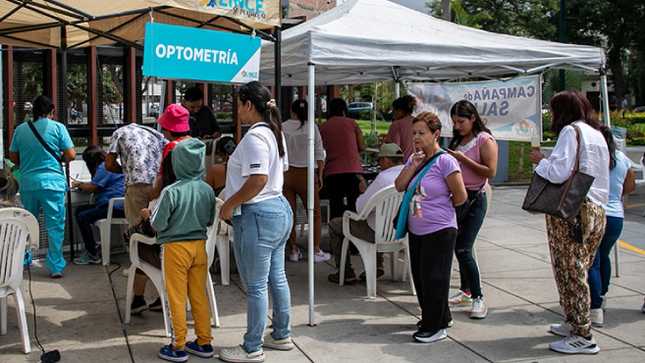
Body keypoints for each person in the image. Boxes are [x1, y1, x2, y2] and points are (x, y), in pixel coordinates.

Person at [529, 89, 609, 355]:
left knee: (569, 271)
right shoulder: (596, 133)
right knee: (580, 268)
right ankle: (573, 322)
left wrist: (540, 161)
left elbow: (559, 171)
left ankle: (582, 334)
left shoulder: (571, 132)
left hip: (573, 212)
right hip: (597, 209)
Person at [218, 81, 293, 363]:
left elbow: (259, 179)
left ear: (249, 105)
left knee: (256, 285)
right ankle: (281, 334)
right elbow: (276, 172)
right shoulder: (274, 132)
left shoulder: (254, 137)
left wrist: (229, 203)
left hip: (259, 213)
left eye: (238, 105)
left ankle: (252, 347)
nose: (237, 111)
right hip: (279, 210)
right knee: (276, 277)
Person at [139, 138, 216, 362]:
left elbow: (157, 224)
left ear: (177, 162)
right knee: (199, 295)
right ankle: (204, 341)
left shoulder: (171, 191)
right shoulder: (207, 190)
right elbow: (210, 219)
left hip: (175, 249)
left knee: (176, 297)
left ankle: (178, 345)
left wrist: (146, 215)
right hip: (199, 248)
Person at [394, 111, 467, 343]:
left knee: (435, 278)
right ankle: (438, 316)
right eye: (414, 133)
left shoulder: (446, 161)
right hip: (417, 229)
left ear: (436, 134)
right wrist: (411, 165)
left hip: (440, 229)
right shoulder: (416, 158)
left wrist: (440, 211)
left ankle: (434, 327)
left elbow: (461, 196)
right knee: (422, 277)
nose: (416, 137)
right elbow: (399, 186)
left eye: (421, 133)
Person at [9, 95, 75, 278]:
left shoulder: (21, 130)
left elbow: (13, 158)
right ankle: (55, 266)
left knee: (28, 223)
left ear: (33, 111)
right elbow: (70, 155)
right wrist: (59, 158)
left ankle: (24, 259)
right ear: (52, 112)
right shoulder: (58, 128)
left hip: (29, 183)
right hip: (52, 184)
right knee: (55, 225)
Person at [446, 100, 498, 319]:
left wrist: (462, 160)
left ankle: (479, 297)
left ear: (473, 118)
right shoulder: (459, 140)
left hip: (476, 199)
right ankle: (466, 290)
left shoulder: (485, 140)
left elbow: (490, 171)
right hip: (458, 198)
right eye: (455, 122)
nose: (458, 126)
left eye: (462, 121)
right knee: (458, 246)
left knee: (464, 248)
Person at [327, 143, 405, 284]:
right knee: (379, 220)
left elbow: (360, 209)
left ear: (386, 160)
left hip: (376, 232)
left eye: (379, 161)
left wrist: (363, 191)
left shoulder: (382, 179)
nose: (380, 164)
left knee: (335, 224)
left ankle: (345, 271)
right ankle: (377, 263)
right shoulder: (409, 175)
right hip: (402, 231)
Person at [587, 126, 635, 326]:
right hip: (616, 216)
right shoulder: (622, 159)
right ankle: (602, 296)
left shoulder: (593, 158)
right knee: (603, 256)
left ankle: (595, 306)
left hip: (597, 212)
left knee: (592, 261)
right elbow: (630, 185)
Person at [282, 99, 330, 263]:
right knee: (314, 213)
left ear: (291, 111)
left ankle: (293, 249)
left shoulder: (283, 126)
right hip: (307, 174)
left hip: (287, 174)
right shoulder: (312, 127)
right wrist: (320, 174)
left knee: (290, 213)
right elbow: (319, 153)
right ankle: (315, 249)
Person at [106, 122, 166, 229]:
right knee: (156, 226)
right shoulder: (155, 133)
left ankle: (138, 245)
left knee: (137, 226)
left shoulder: (119, 132)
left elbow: (109, 165)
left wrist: (127, 170)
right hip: (158, 183)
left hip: (136, 183)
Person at [72, 146, 125, 265]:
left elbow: (92, 188)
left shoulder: (103, 168)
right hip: (116, 205)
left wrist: (79, 185)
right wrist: (81, 184)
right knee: (80, 210)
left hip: (114, 207)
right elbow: (95, 183)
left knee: (82, 217)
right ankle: (91, 245)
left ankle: (92, 253)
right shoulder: (108, 165)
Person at [319, 98, 366, 220]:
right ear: (344, 111)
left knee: (335, 205)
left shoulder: (323, 127)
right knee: (355, 205)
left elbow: (319, 149)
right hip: (353, 169)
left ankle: (337, 234)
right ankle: (354, 234)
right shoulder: (352, 123)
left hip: (333, 171)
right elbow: (362, 147)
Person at [150, 104, 192, 200]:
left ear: (168, 130)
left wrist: (155, 192)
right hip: (190, 190)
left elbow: (167, 174)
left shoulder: (172, 146)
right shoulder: (193, 143)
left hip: (173, 193)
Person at [385, 95, 417, 160]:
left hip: (402, 166)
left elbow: (393, 149)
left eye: (394, 111)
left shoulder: (397, 125)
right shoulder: (418, 122)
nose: (393, 115)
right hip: (419, 165)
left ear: (400, 111)